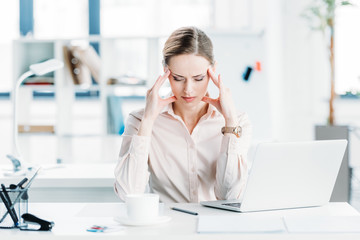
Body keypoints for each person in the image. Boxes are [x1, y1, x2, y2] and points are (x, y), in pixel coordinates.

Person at [114, 26, 252, 203]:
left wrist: (230, 122)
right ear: (165, 71)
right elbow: (129, 194)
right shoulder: (140, 120)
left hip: (216, 226)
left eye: (198, 78)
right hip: (167, 226)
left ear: (213, 70)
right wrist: (148, 122)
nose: (188, 90)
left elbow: (230, 197)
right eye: (178, 78)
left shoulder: (238, 122)